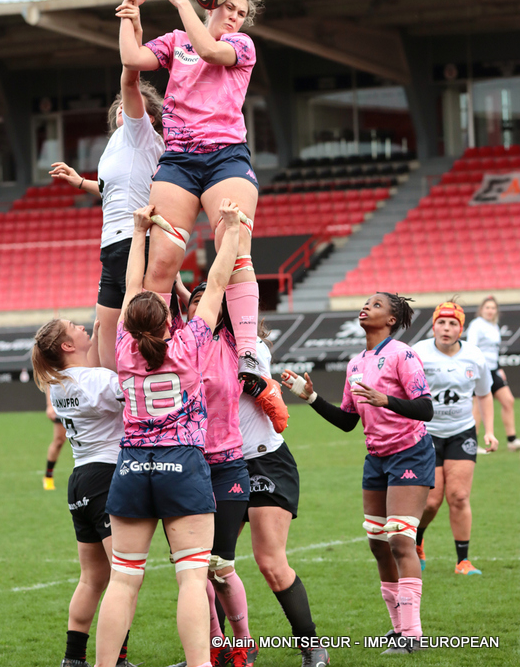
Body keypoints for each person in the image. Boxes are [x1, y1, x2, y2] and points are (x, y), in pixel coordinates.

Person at [94, 199, 241, 667]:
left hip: (132, 466)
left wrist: (138, 232)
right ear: (163, 319)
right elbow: (217, 281)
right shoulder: (192, 343)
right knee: (192, 578)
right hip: (183, 465)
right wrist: (232, 229)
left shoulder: (121, 344)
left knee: (123, 578)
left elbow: (133, 286)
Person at [115, 0, 265, 390]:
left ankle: (249, 352)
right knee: (161, 263)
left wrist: (181, 1)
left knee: (235, 250)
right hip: (179, 161)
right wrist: (130, 18)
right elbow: (132, 58)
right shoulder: (175, 40)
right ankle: (154, 344)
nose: (235, 17)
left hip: (226, 157)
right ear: (211, 4)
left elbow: (210, 50)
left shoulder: (242, 46)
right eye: (229, 8)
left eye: (240, 13)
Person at [282, 293, 435, 655]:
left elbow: (426, 408)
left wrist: (388, 401)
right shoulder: (355, 364)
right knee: (378, 544)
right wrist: (311, 397)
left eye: (377, 305)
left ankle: (413, 634)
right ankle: (398, 631)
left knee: (400, 539)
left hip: (409, 453)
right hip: (376, 458)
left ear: (392, 319)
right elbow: (349, 422)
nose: (366, 307)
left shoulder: (403, 354)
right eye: (365, 303)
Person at [50, 0, 164, 372]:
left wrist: (130, 23)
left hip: (138, 243)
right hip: (112, 244)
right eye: (119, 107)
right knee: (103, 330)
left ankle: (156, 398)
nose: (123, 107)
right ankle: (115, 409)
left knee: (142, 329)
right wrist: (80, 182)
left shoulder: (142, 134)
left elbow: (130, 77)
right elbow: (116, 189)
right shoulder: (115, 146)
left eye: (130, 106)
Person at [32, 319, 136, 667]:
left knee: (93, 579)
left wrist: (97, 337)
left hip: (80, 479)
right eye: (73, 327)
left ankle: (73, 659)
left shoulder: (58, 383)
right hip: (107, 477)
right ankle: (116, 661)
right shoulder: (98, 379)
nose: (82, 327)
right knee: (124, 577)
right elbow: (137, 393)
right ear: (66, 345)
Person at [175, 280, 259, 667]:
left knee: (220, 565)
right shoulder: (176, 345)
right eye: (195, 299)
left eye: (209, 300)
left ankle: (244, 642)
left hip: (227, 465)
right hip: (186, 465)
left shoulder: (234, 344)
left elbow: (244, 294)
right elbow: (170, 298)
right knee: (194, 568)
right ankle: (214, 642)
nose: (202, 304)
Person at [239, 324, 328, 667]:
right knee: (204, 566)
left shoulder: (251, 345)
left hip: (264, 462)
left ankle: (312, 647)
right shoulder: (195, 346)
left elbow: (249, 378)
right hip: (219, 463)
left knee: (270, 563)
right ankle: (224, 651)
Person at [413, 300, 499, 577]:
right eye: (442, 322)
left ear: (461, 328)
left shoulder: (474, 356)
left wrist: (488, 430)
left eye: (453, 323)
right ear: (434, 325)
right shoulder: (417, 353)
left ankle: (463, 561)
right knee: (431, 501)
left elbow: (484, 394)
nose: (446, 328)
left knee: (459, 496)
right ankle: (418, 541)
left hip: (462, 431)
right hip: (426, 433)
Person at [466, 295, 520, 452]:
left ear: (496, 311)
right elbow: (472, 349)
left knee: (508, 401)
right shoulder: (477, 325)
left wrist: (499, 368)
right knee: (478, 406)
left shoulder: (494, 326)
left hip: (493, 370)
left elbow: (493, 351)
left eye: (493, 308)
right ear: (481, 310)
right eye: (487, 307)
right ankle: (473, 444)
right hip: (480, 371)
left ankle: (512, 440)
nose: (490, 311)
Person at [43, 386, 67, 490]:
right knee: (59, 441)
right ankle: (48, 476)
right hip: (63, 402)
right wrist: (50, 405)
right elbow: (49, 380)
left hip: (82, 401)